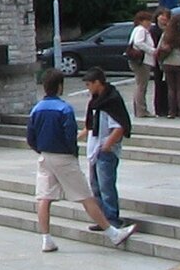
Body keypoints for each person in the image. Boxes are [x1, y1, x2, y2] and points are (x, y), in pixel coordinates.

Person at [27, 71, 136, 252]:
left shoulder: (37, 109)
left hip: (45, 156)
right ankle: (113, 233)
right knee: (85, 196)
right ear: (60, 86)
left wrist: (41, 149)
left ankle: (46, 239)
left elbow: (30, 137)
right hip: (64, 157)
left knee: (44, 198)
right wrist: (73, 153)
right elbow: (69, 136)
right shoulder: (64, 109)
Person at [82, 68, 131, 229]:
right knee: (96, 187)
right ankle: (102, 219)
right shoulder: (95, 102)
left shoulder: (111, 101)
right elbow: (89, 126)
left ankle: (112, 219)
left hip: (105, 151)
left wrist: (107, 145)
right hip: (94, 149)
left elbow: (120, 126)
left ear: (97, 83)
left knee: (106, 186)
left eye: (89, 84)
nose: (88, 88)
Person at [156, 10, 180, 119]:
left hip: (168, 63)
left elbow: (159, 48)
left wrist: (161, 62)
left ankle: (171, 112)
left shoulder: (166, 34)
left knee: (171, 89)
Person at [127, 9, 159, 117]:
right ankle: (141, 110)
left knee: (140, 85)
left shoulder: (136, 30)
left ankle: (139, 109)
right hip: (142, 61)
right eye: (147, 20)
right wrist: (152, 51)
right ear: (141, 21)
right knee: (142, 86)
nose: (149, 23)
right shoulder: (141, 30)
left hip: (138, 60)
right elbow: (139, 43)